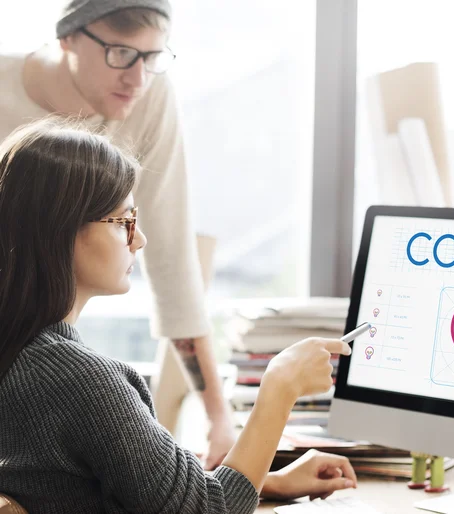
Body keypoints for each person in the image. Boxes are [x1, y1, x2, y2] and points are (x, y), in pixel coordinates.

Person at [0, 118, 357, 513]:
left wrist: (265, 482)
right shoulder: (79, 381)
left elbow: (97, 489)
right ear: (61, 231)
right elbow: (208, 510)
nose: (140, 239)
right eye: (124, 222)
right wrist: (280, 388)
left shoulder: (23, 357)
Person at [0, 0, 236, 468]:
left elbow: (171, 258)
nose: (138, 78)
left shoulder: (150, 95)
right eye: (121, 54)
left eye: (153, 58)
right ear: (67, 37)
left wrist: (218, 418)